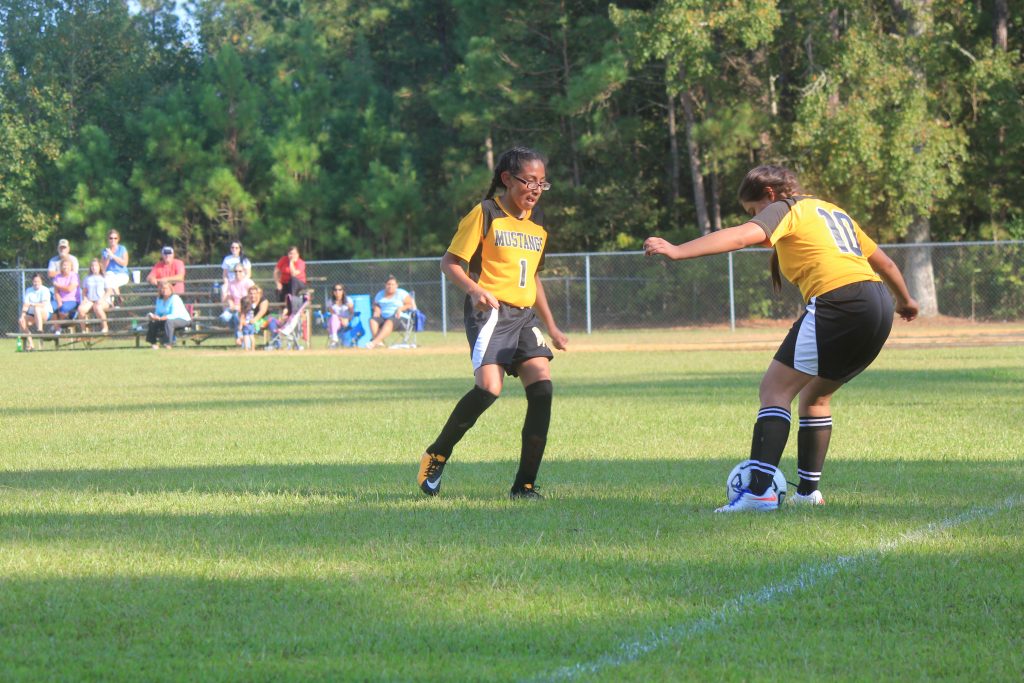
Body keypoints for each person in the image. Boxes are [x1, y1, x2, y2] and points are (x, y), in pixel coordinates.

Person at [644, 164, 919, 512]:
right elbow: (886, 264)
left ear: (770, 195)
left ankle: (758, 493)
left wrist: (678, 250)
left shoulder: (787, 208)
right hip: (876, 305)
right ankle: (808, 493)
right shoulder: (832, 211)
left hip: (840, 300)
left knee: (774, 391)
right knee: (815, 396)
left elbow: (742, 236)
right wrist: (905, 301)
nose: (756, 219)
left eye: (753, 211)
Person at [417, 146, 568, 500]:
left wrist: (553, 325)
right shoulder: (485, 213)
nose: (535, 189)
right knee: (489, 389)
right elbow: (450, 263)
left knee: (542, 389)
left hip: (524, 315)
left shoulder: (538, 225)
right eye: (529, 181)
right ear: (506, 179)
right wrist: (474, 290)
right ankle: (437, 453)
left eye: (542, 183)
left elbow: (533, 278)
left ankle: (524, 486)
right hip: (492, 313)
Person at [367, 275, 413, 349]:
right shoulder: (380, 294)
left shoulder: (402, 293)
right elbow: (376, 304)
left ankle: (374, 342)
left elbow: (409, 304)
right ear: (385, 285)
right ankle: (379, 342)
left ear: (396, 285)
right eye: (388, 284)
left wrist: (400, 309)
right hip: (383, 317)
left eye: (393, 284)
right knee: (372, 320)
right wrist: (377, 309)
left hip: (399, 317)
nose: (390, 286)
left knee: (389, 321)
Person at [145, 280, 191, 349]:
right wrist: (154, 317)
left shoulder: (175, 298)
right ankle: (153, 343)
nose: (163, 290)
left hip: (183, 320)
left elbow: (174, 315)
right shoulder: (159, 299)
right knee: (153, 322)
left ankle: (168, 343)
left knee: (169, 321)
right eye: (161, 288)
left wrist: (160, 318)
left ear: (170, 289)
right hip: (166, 320)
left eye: (166, 288)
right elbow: (158, 312)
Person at [219, 264, 255, 343]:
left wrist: (240, 307)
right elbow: (229, 296)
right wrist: (231, 303)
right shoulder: (231, 283)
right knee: (223, 318)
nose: (237, 273)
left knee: (236, 317)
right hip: (233, 307)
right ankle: (239, 335)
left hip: (246, 308)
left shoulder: (249, 282)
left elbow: (253, 297)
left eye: (240, 271)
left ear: (244, 272)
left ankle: (239, 338)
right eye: (235, 271)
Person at [18, 274, 52, 351]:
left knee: (37, 308)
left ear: (41, 282)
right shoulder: (29, 290)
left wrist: (33, 304)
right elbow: (26, 304)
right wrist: (22, 316)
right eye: (34, 281)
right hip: (32, 315)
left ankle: (40, 330)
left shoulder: (45, 290)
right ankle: (31, 345)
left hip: (45, 313)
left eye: (38, 281)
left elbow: (43, 304)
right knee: (22, 321)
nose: (36, 283)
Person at [77, 258, 110, 333]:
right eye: (92, 266)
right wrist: (85, 299)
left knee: (97, 307)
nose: (94, 267)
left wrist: (102, 299)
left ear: (99, 267)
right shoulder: (87, 278)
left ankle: (105, 327)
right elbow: (84, 292)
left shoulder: (104, 277)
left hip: (102, 300)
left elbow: (109, 291)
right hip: (90, 300)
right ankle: (84, 330)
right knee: (80, 309)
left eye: (96, 266)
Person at [51, 258, 81, 332]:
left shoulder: (74, 276)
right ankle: (56, 329)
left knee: (63, 309)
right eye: (63, 265)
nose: (65, 267)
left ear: (71, 267)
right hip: (60, 300)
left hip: (72, 300)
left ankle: (62, 325)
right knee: (51, 308)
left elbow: (69, 289)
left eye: (67, 265)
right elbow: (56, 291)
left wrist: (57, 285)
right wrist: (59, 302)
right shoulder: (57, 276)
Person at [101, 229, 130, 302]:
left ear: (118, 239)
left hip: (121, 274)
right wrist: (108, 256)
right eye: (111, 238)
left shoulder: (122, 249)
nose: (113, 240)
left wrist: (113, 256)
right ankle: (117, 297)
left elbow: (124, 263)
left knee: (111, 283)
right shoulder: (105, 251)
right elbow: (103, 267)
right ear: (108, 239)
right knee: (108, 279)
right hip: (109, 275)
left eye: (115, 238)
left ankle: (111, 301)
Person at [239, 284, 270, 351]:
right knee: (239, 322)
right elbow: (242, 312)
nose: (253, 295)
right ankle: (244, 344)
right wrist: (242, 322)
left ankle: (251, 347)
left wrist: (254, 320)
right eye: (251, 293)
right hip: (248, 322)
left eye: (255, 293)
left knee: (252, 330)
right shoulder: (246, 301)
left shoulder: (263, 300)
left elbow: (262, 311)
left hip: (263, 319)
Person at [327, 283, 354, 348]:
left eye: (340, 290)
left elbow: (352, 313)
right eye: (335, 290)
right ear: (333, 292)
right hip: (336, 322)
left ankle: (333, 340)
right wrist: (341, 319)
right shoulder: (330, 302)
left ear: (343, 291)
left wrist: (347, 319)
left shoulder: (348, 300)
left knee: (332, 321)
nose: (337, 292)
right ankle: (334, 339)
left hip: (346, 321)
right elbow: (333, 314)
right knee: (333, 317)